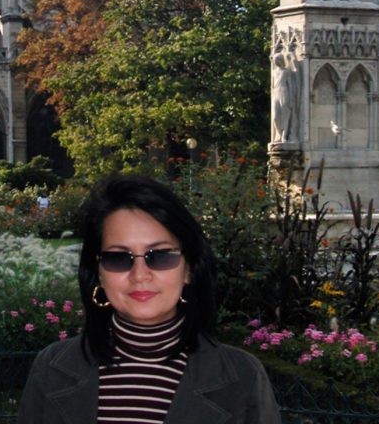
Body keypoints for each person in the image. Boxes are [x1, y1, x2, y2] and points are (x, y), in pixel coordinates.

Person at [17, 174, 281, 423]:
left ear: (188, 269)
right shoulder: (52, 369)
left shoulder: (243, 379)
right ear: (98, 272)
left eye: (161, 256)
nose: (140, 275)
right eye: (119, 258)